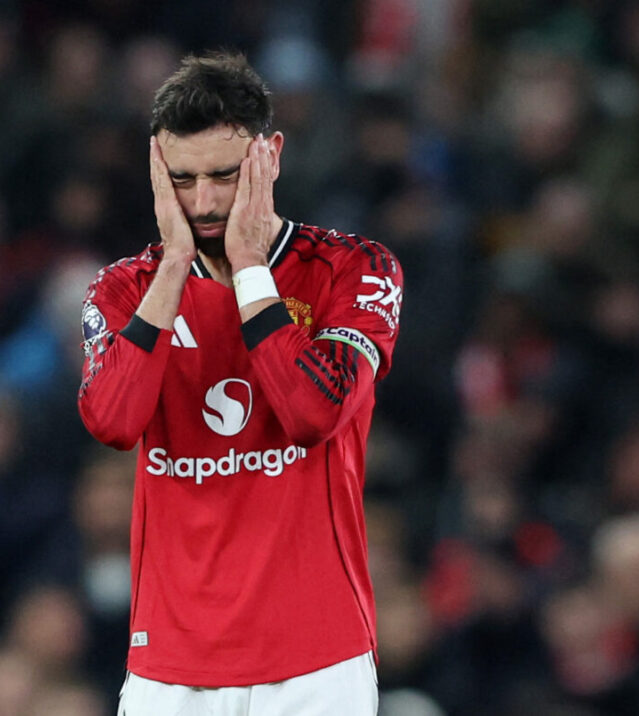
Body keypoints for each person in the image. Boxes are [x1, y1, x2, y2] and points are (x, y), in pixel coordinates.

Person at [76, 51, 403, 715]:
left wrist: (251, 265)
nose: (203, 202)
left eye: (224, 176)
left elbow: (313, 412)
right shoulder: (125, 290)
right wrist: (174, 267)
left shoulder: (355, 270)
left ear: (270, 155)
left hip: (318, 661)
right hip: (172, 668)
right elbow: (112, 422)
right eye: (182, 179)